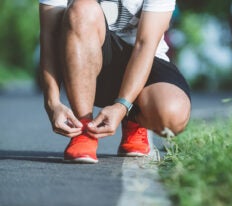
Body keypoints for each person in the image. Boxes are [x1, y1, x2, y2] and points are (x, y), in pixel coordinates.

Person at [39, 0, 191, 164]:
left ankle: (133, 119)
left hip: (143, 59)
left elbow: (145, 43)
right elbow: (50, 34)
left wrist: (123, 105)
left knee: (171, 117)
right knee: (82, 9)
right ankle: (84, 128)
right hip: (88, 60)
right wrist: (52, 102)